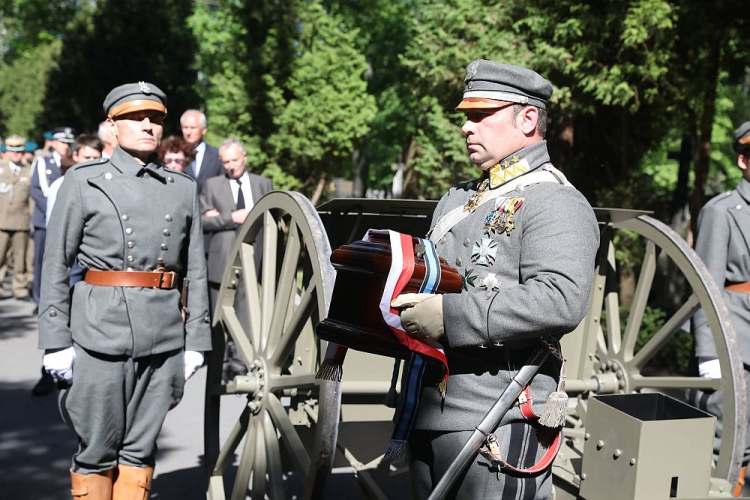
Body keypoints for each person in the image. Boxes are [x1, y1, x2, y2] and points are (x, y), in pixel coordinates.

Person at [391, 60, 599, 499]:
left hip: (498, 418)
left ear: (527, 118)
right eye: (467, 116)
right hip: (430, 412)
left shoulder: (554, 200)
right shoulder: (458, 199)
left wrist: (450, 317)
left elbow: (561, 299)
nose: (467, 127)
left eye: (481, 115)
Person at [38, 82, 211, 499]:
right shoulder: (83, 181)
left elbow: (197, 271)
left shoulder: (182, 187)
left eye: (154, 119)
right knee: (96, 449)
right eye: (136, 118)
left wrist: (196, 341)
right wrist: (55, 341)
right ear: (113, 125)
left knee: (140, 449)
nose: (148, 126)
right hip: (101, 331)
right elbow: (55, 265)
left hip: (165, 334)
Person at [690, 121, 750, 496]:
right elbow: (704, 289)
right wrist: (710, 355)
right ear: (744, 160)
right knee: (728, 442)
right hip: (736, 345)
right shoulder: (723, 211)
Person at [200, 138, 272, 381]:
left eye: (234, 159)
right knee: (222, 310)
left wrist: (221, 215)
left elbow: (273, 217)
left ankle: (241, 362)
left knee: (248, 310)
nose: (231, 165)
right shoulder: (212, 185)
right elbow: (202, 220)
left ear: (245, 157)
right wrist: (231, 217)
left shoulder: (263, 184)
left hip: (256, 254)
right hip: (222, 258)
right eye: (226, 161)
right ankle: (220, 362)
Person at [30, 126, 75, 306]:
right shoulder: (43, 162)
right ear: (54, 143)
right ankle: (39, 299)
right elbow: (36, 190)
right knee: (41, 261)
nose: (66, 146)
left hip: (66, 220)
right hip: (44, 221)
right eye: (63, 142)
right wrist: (54, 210)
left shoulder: (73, 163)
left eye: (69, 143)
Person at [0, 136, 32, 300]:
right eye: (12, 151)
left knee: (21, 258)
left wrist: (31, 219)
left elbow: (31, 198)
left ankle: (19, 288)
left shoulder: (28, 170)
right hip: (2, 220)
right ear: (7, 152)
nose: (15, 154)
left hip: (21, 220)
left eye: (18, 151)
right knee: (0, 256)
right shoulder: (1, 168)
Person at [180, 109, 224, 190]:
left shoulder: (217, 155)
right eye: (185, 127)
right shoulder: (175, 156)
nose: (188, 132)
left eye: (193, 128)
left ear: (204, 130)